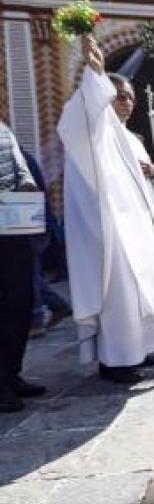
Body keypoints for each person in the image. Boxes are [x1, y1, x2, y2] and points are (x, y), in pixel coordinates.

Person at [58, 35, 154, 384]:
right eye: (117, 96)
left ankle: (138, 350)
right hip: (110, 234)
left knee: (142, 295)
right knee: (120, 297)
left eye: (128, 96)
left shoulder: (132, 140)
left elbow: (152, 188)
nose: (126, 102)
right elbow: (85, 114)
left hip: (139, 231)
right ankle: (115, 362)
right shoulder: (93, 132)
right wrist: (94, 73)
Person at [0, 121, 46, 412]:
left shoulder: (3, 128)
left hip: (12, 223)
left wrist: (27, 181)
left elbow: (19, 163)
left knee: (21, 299)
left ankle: (11, 374)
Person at [24, 151, 72, 338]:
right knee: (28, 271)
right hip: (31, 222)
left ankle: (36, 320)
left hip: (28, 224)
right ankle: (58, 306)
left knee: (27, 272)